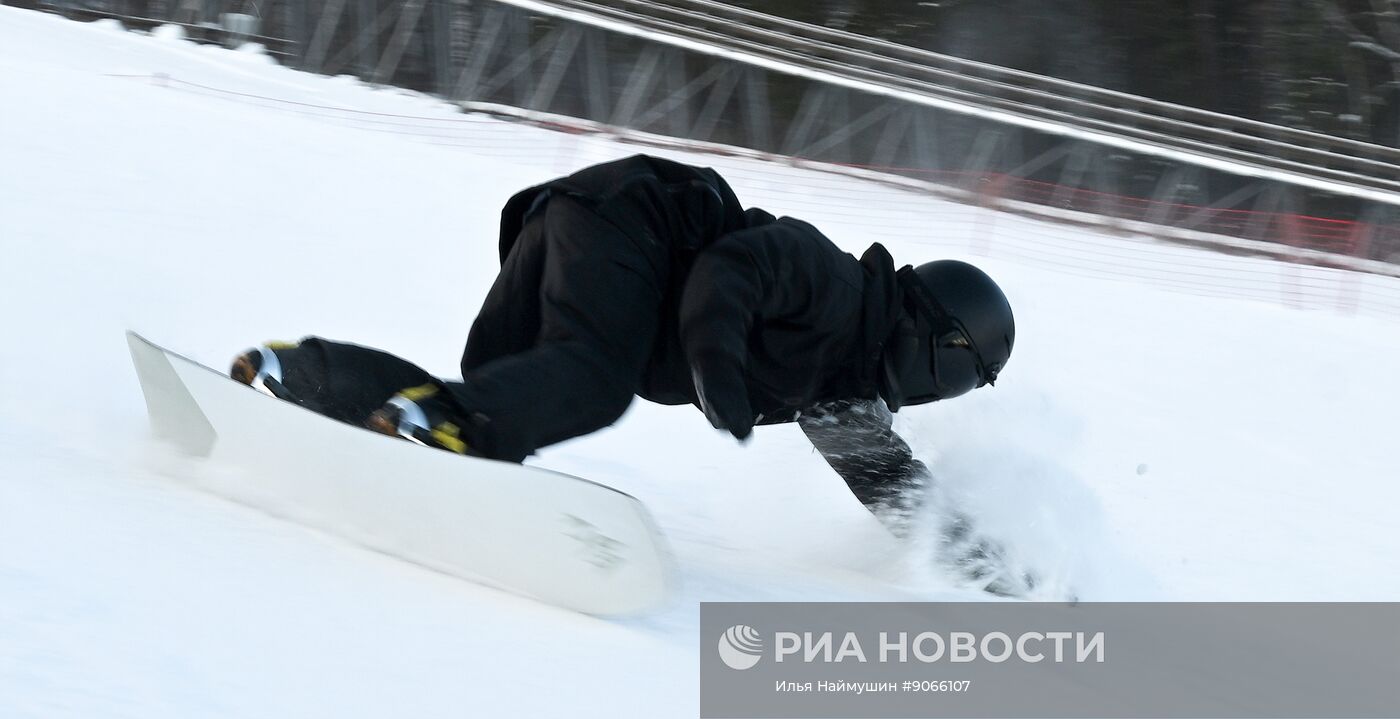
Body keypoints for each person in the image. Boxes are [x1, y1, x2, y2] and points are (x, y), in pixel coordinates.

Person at [231, 154, 1014, 535]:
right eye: (960, 380)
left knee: (501, 392)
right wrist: (719, 376)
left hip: (579, 221)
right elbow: (728, 274)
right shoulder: (836, 284)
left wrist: (1007, 583)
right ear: (942, 345)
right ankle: (433, 427)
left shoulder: (843, 382)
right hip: (631, 223)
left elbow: (899, 495)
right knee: (588, 382)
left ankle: (297, 374)